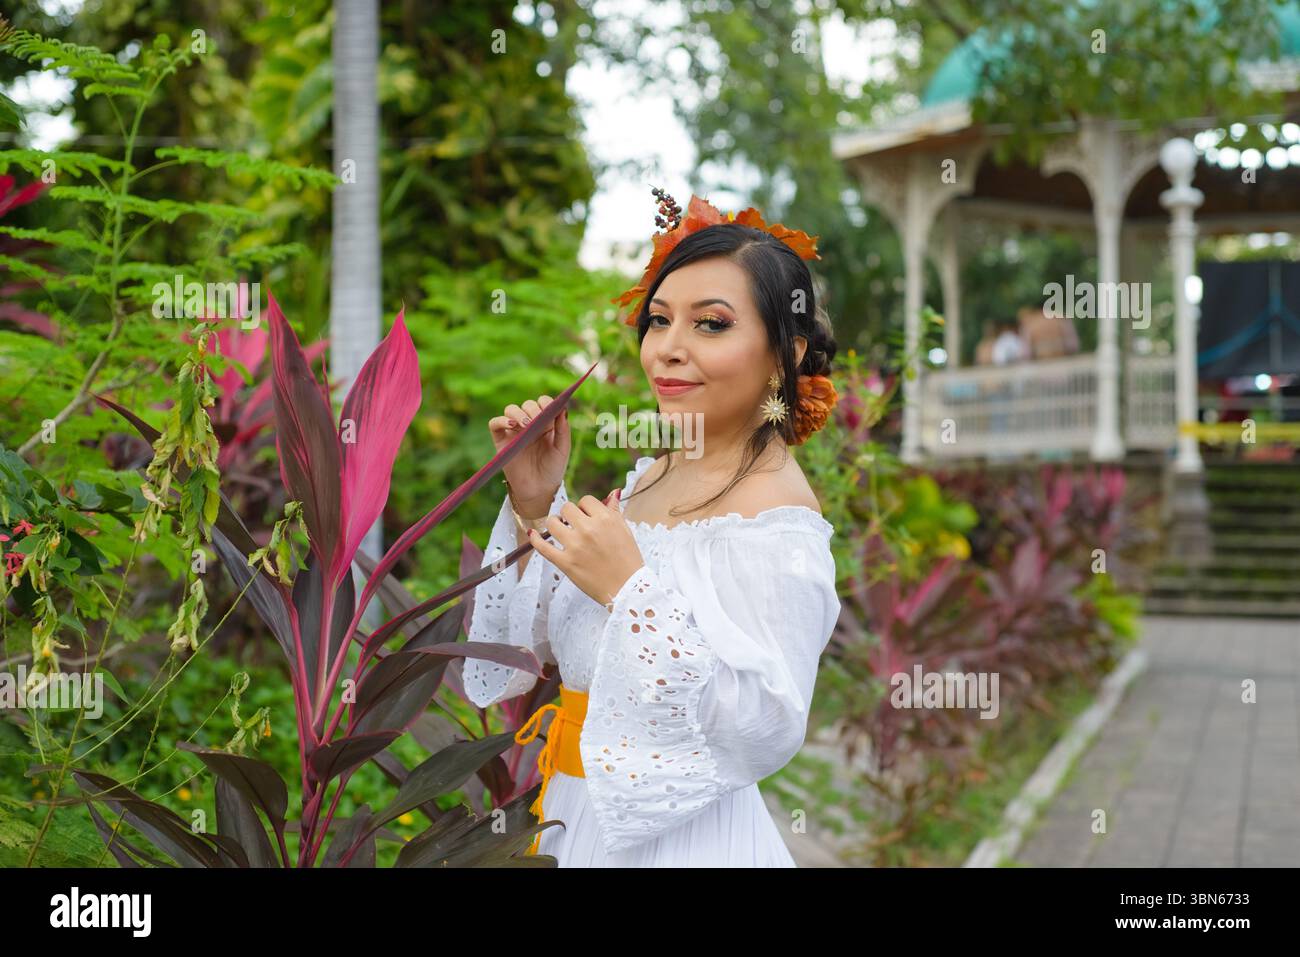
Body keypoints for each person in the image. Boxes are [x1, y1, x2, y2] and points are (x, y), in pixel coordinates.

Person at [461, 190, 842, 867]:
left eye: (711, 324)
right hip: (574, 815)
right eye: (659, 320)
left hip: (685, 845)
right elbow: (543, 652)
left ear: (786, 351)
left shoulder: (778, 523)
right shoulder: (651, 476)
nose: (668, 348)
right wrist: (534, 502)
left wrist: (629, 589)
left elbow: (766, 722)